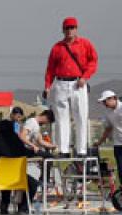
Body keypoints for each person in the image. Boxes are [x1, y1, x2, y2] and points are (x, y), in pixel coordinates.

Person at [44, 16, 98, 156]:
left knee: (80, 116)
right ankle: (64, 149)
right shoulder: (57, 47)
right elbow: (50, 68)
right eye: (67, 28)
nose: (69, 30)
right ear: (63, 30)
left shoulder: (85, 44)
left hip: (78, 84)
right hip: (60, 83)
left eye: (72, 27)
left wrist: (85, 77)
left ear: (76, 29)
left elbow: (93, 62)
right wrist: (47, 86)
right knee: (61, 118)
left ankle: (81, 150)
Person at [0, 120, 40, 214]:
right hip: (17, 177)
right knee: (33, 184)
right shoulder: (17, 142)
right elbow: (27, 153)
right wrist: (38, 151)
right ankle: (23, 208)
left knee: (4, 179)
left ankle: (4, 206)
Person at [94, 90, 122, 185]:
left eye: (105, 101)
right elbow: (108, 129)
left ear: (113, 98)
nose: (104, 104)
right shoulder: (108, 112)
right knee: (121, 169)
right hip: (118, 144)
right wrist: (99, 142)